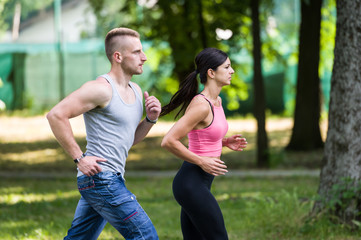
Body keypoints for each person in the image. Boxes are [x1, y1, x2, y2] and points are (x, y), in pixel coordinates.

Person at [47, 27, 160, 240]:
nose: (143, 57)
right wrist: (79, 158)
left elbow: (129, 140)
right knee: (146, 236)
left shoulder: (135, 90)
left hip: (109, 178)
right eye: (136, 52)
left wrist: (150, 119)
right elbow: (55, 115)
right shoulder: (101, 89)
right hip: (101, 179)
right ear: (118, 56)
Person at [161, 48, 247, 240]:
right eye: (227, 67)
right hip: (191, 183)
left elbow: (202, 136)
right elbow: (168, 141)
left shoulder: (217, 101)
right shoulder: (201, 105)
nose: (232, 71)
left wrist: (223, 142)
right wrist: (201, 161)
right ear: (211, 73)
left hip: (201, 182)